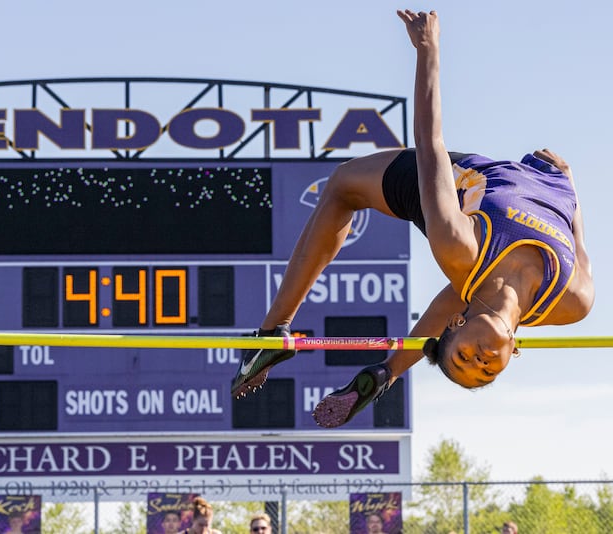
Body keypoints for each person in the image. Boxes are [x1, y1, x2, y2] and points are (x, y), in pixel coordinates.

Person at [231, 9, 594, 428]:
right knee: (472, 286)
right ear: (512, 352)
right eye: (487, 370)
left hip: (466, 189)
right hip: (547, 179)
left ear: (456, 326)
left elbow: (430, 143)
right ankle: (386, 372)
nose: (479, 360)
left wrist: (428, 50)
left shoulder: (457, 244)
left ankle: (274, 330)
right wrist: (568, 183)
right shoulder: (572, 302)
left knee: (344, 184)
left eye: (464, 358)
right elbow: (579, 242)